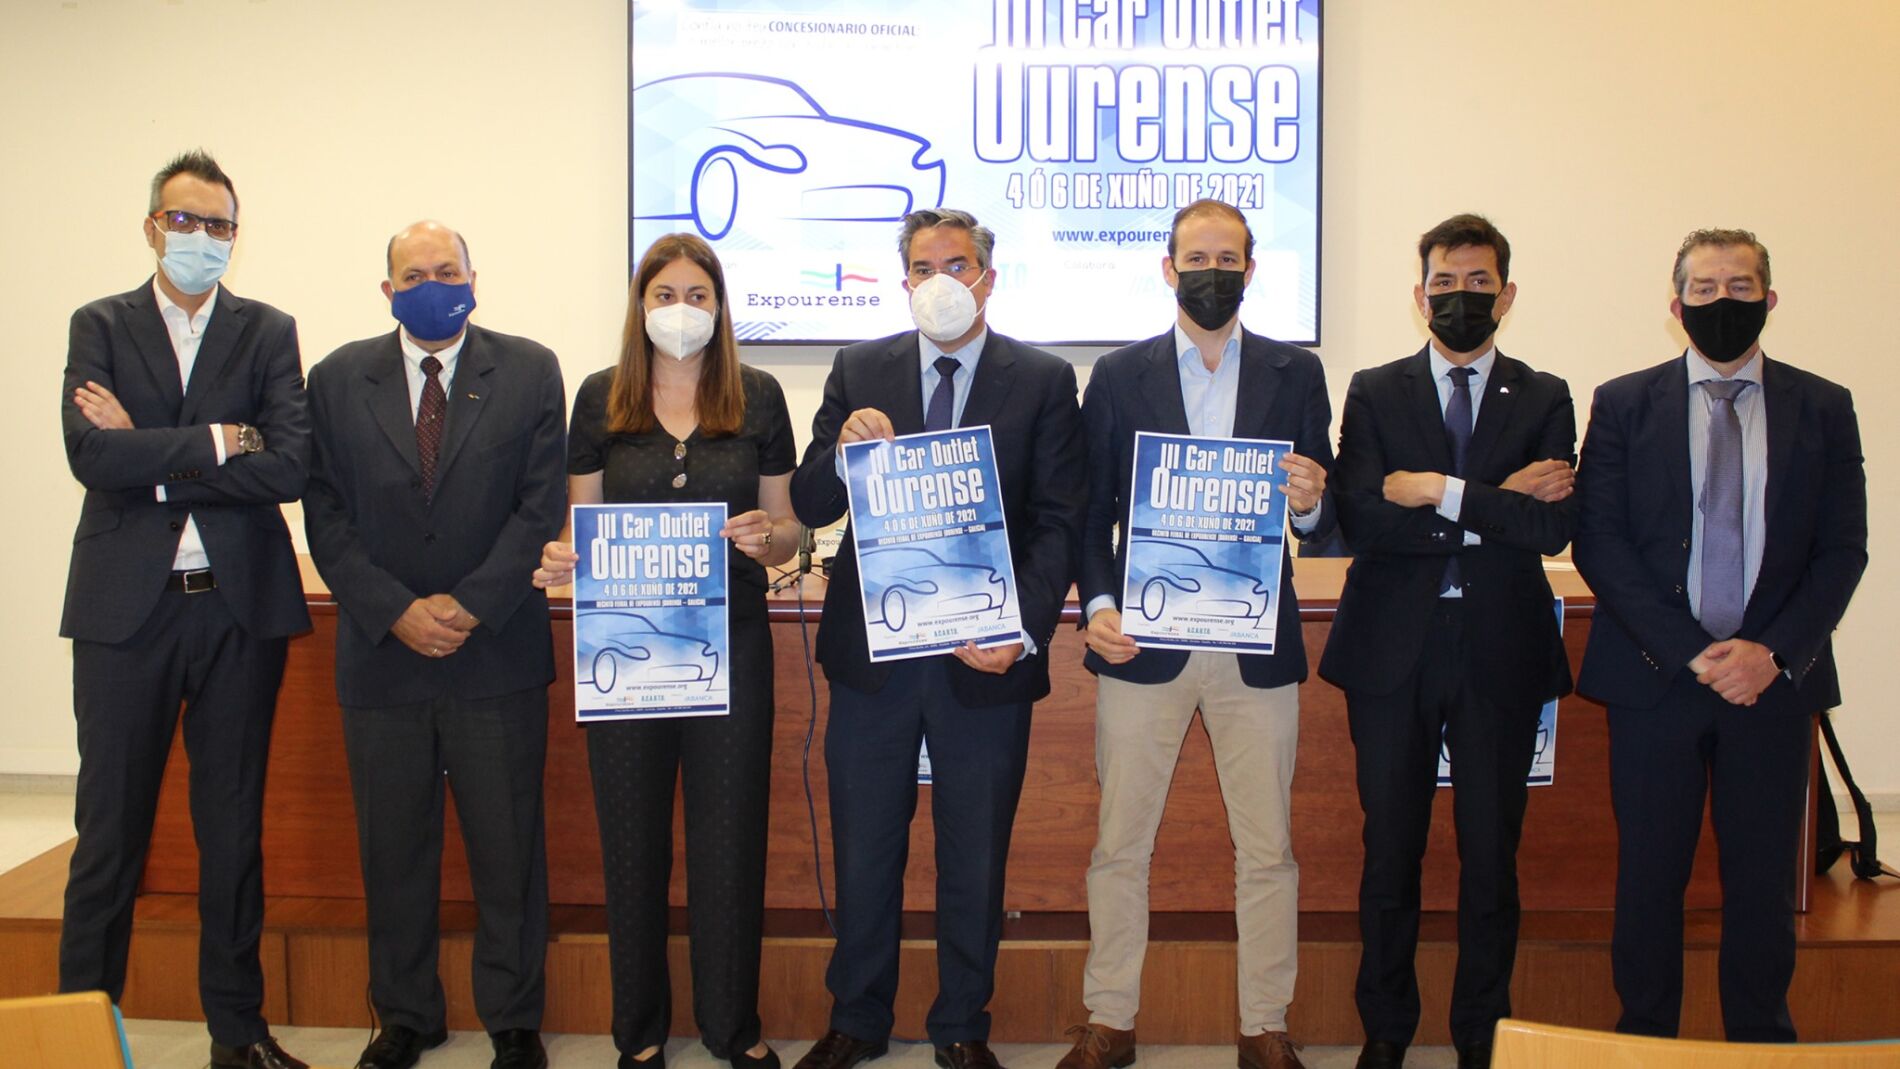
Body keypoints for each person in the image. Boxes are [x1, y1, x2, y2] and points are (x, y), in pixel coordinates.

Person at [788, 208, 1085, 1069]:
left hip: (985, 660)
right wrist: (841, 452)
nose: (941, 280)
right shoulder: (860, 368)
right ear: (904, 281)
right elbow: (811, 504)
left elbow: (1059, 521)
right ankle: (857, 1018)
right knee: (865, 847)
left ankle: (961, 1023)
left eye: (958, 264)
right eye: (924, 267)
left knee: (975, 852)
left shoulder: (1042, 378)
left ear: (988, 279)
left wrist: (1021, 628)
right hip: (874, 660)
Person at [1573, 229, 1866, 1042]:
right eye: (1704, 289)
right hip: (1656, 679)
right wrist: (1692, 650)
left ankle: (1762, 1044)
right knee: (1648, 878)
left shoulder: (1824, 405)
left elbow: (1844, 548)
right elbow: (1600, 541)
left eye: (1740, 287)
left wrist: (1771, 653)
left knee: (1764, 884)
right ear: (1676, 306)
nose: (1721, 302)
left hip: (1771, 684)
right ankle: (1646, 1040)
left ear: (1770, 299)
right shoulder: (1624, 403)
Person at [58, 150, 312, 1069]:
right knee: (110, 833)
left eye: (219, 225)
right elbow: (91, 455)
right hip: (126, 615)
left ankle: (237, 1035)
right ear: (152, 226)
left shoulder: (268, 330)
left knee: (232, 830)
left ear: (237, 236)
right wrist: (217, 441)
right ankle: (79, 1038)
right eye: (185, 220)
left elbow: (288, 464)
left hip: (238, 612)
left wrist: (155, 456)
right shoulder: (101, 324)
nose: (202, 237)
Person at [1064, 199, 1332, 1069]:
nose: (1211, 272)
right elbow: (1091, 513)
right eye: (1196, 258)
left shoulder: (1297, 373)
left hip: (1257, 644)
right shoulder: (1119, 374)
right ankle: (1110, 1019)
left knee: (1268, 848)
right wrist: (1099, 607)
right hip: (1143, 641)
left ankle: (1265, 1025)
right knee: (1120, 843)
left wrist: (1311, 501)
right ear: (1168, 268)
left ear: (1251, 270)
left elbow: (1324, 517)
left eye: (1227, 259)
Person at [303, 221, 566, 1069]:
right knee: (394, 850)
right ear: (387, 291)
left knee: (508, 849)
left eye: (446, 270)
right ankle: (405, 1015)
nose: (431, 285)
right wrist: (397, 610)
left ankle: (514, 1019)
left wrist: (469, 604)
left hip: (497, 653)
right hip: (383, 654)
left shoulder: (529, 370)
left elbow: (540, 505)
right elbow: (324, 516)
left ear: (474, 278)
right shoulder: (336, 379)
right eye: (413, 275)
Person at [532, 233, 798, 1069]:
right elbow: (580, 528)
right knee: (631, 840)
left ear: (719, 306)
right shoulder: (599, 397)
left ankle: (732, 1026)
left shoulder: (758, 396)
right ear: (639, 305)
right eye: (664, 294)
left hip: (732, 647)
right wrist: (561, 558)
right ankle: (639, 1029)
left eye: (697, 294)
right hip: (624, 650)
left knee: (731, 841)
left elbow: (789, 530)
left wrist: (767, 538)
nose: (681, 309)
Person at [1318, 214, 1578, 1069]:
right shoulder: (1375, 389)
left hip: (1502, 648)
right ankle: (1386, 1029)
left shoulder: (1544, 394)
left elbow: (1551, 528)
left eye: (1477, 283)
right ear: (1419, 293)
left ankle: (1481, 1033)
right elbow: (1362, 519)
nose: (1459, 296)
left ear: (1506, 294)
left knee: (1491, 854)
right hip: (1392, 651)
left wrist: (1440, 489)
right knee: (1390, 848)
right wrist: (1494, 499)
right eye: (1444, 283)